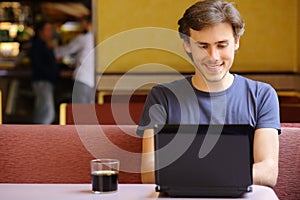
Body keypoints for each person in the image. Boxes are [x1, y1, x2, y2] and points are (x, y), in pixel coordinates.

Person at [137, 0, 280, 187]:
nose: (214, 57)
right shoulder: (162, 97)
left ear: (236, 42)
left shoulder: (262, 95)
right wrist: (227, 172)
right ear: (187, 45)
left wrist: (192, 172)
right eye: (203, 46)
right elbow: (149, 171)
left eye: (222, 45)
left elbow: (268, 171)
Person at [54, 16, 95, 103]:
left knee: (80, 110)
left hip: (82, 79)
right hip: (93, 81)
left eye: (83, 23)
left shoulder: (84, 38)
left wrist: (51, 49)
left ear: (89, 24)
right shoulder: (98, 39)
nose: (81, 25)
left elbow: (64, 51)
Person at [30, 21, 59, 124]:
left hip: (46, 81)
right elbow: (40, 65)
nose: (50, 32)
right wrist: (54, 73)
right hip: (41, 81)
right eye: (47, 30)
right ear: (40, 32)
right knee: (47, 112)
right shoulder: (37, 46)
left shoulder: (46, 45)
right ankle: (40, 136)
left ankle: (40, 135)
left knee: (44, 110)